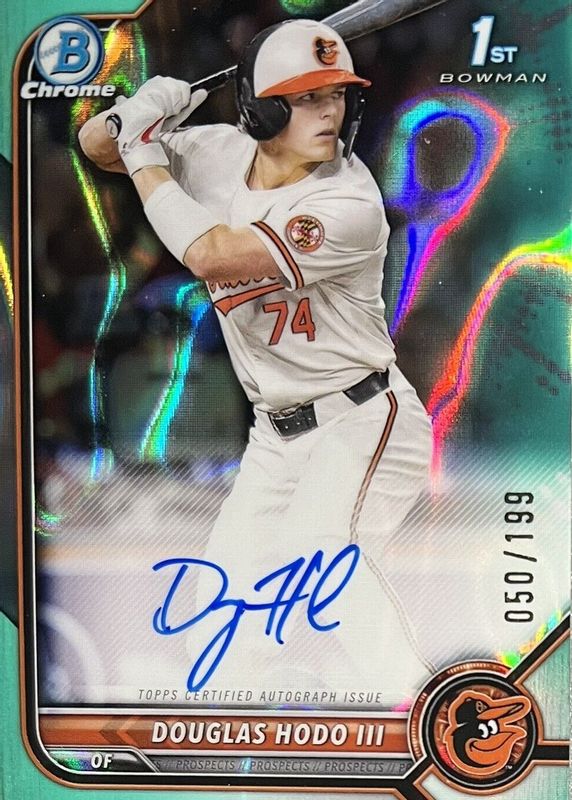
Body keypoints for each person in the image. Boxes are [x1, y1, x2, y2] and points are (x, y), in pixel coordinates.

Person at [79, 18, 435, 705]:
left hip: (364, 418)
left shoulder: (346, 200)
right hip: (276, 438)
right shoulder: (216, 152)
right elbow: (96, 148)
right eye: (307, 98)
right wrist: (137, 111)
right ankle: (242, 744)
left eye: (337, 95)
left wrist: (146, 151)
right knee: (219, 615)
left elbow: (212, 255)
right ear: (262, 109)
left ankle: (437, 717)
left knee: (323, 555)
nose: (330, 113)